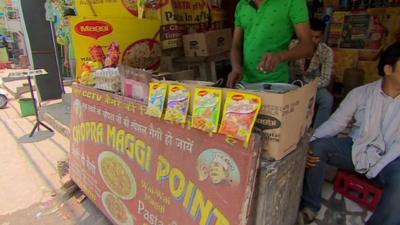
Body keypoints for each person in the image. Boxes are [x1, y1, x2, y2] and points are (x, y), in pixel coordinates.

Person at [297, 41, 400, 225]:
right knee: (318, 148)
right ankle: (310, 207)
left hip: (391, 159)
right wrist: (308, 143)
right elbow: (336, 124)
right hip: (357, 149)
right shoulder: (361, 94)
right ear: (388, 69)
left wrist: (379, 167)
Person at [227, 0, 314, 88]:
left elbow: (308, 46)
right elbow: (236, 45)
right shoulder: (242, 4)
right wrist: (236, 68)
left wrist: (279, 56)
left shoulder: (293, 2)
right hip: (246, 83)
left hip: (276, 84)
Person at [291, 18, 334, 128]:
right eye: (310, 36)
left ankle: (317, 133)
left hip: (313, 85)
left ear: (322, 37)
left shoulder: (327, 52)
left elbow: (325, 79)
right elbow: (285, 69)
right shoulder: (292, 45)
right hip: (292, 83)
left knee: (327, 99)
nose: (313, 40)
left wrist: (309, 87)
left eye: (317, 37)